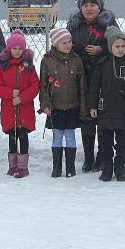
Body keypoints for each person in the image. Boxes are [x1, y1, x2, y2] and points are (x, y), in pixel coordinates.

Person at [66, 0, 118, 173]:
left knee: (102, 117)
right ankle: (88, 156)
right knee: (86, 117)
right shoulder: (73, 26)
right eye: (85, 5)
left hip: (104, 77)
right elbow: (65, 46)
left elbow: (119, 45)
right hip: (81, 78)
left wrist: (101, 50)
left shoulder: (108, 24)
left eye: (92, 5)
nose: (89, 9)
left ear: (99, 7)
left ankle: (103, 156)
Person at [87, 27, 125, 182]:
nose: (120, 49)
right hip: (104, 109)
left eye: (123, 46)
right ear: (111, 47)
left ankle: (120, 168)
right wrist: (92, 106)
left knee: (122, 143)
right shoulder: (102, 63)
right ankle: (107, 168)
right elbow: (94, 86)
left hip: (123, 110)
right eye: (117, 46)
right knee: (105, 143)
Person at [38, 27, 86, 178]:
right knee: (57, 136)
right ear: (55, 44)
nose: (68, 45)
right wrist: (45, 104)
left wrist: (83, 107)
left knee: (70, 136)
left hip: (72, 105)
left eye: (70, 41)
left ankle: (70, 167)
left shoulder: (76, 59)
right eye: (63, 42)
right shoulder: (47, 60)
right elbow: (43, 86)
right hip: (55, 107)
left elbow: (82, 86)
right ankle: (57, 167)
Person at [0, 30, 39, 178]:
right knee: (12, 137)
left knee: (23, 135)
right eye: (14, 48)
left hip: (24, 108)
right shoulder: (2, 66)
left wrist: (22, 97)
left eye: (20, 48)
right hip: (9, 108)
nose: (17, 51)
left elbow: (34, 86)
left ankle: (23, 166)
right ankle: (12, 165)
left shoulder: (29, 66)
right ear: (9, 49)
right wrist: (10, 93)